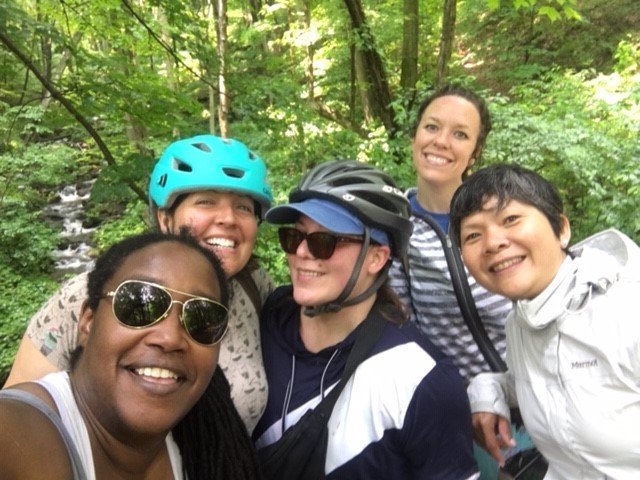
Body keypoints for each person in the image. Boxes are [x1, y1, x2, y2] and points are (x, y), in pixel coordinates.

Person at [4, 134, 273, 433]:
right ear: (165, 218)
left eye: (244, 207)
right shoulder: (90, 295)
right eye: (206, 201)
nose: (228, 218)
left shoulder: (254, 288)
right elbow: (16, 423)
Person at [253, 160, 479, 479]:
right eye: (293, 237)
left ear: (376, 258)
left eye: (324, 242)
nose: (301, 252)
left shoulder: (420, 379)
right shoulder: (262, 322)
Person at [0, 232, 262, 479]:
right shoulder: (18, 433)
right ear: (88, 321)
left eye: (202, 317)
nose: (169, 338)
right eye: (138, 304)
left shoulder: (196, 439)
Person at [450, 163, 640, 479]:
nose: (493, 242)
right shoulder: (520, 323)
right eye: (473, 235)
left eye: (510, 219)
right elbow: (551, 377)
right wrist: (488, 388)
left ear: (561, 229)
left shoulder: (625, 308)